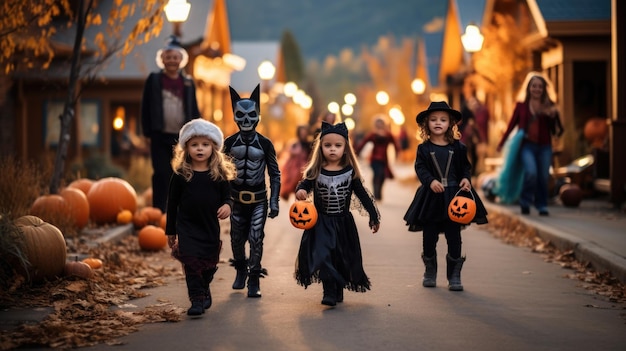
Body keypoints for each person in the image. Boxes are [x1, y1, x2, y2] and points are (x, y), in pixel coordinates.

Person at [294, 121, 381, 307]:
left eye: (337, 145)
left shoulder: (350, 172)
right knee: (324, 255)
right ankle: (329, 291)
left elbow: (364, 195)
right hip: (320, 222)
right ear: (321, 148)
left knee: (340, 256)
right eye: (327, 145)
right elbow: (304, 185)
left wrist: (374, 216)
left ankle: (338, 287)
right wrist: (301, 191)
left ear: (345, 148)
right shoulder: (316, 170)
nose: (332, 149)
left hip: (343, 223)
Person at [403, 101, 488, 291]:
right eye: (433, 120)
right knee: (429, 235)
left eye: (443, 119)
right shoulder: (423, 149)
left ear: (451, 123)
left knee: (453, 235)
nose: (438, 123)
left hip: (454, 196)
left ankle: (454, 275)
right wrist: (430, 181)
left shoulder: (458, 148)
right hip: (431, 197)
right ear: (427, 124)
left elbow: (465, 168)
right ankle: (430, 270)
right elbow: (420, 168)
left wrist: (466, 180)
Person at [165, 119, 236, 317]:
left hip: (209, 227)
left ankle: (204, 287)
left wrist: (227, 206)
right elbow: (172, 204)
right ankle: (196, 299)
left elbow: (227, 197)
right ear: (186, 147)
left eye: (205, 144)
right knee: (191, 263)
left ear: (213, 147)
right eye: (194, 144)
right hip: (187, 227)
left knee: (208, 266)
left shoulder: (218, 174)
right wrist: (170, 230)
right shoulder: (180, 174)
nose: (200, 149)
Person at [224, 84, 281, 298]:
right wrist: (221, 200)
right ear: (235, 117)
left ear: (258, 116)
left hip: (258, 199)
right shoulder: (228, 143)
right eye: (241, 115)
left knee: (256, 237)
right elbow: (221, 173)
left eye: (251, 115)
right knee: (237, 239)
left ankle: (254, 278)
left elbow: (275, 174)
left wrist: (274, 201)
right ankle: (240, 269)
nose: (246, 120)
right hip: (236, 199)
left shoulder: (265, 144)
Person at [141, 35, 200, 212]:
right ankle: (159, 210)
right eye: (168, 57)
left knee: (181, 173)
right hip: (159, 135)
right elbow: (145, 107)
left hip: (181, 137)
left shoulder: (188, 83)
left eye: (175, 57)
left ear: (181, 60)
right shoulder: (153, 80)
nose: (172, 61)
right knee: (160, 173)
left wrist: (196, 133)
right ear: (162, 59)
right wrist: (147, 133)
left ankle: (180, 210)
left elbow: (194, 110)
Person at [496, 73, 564, 216]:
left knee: (543, 176)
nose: (537, 89)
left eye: (540, 86)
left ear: (544, 89)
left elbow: (555, 130)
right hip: (527, 146)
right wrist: (501, 143)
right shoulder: (521, 106)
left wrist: (551, 116)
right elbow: (511, 125)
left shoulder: (549, 106)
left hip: (545, 146)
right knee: (531, 172)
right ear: (529, 88)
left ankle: (542, 205)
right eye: (534, 86)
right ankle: (525, 201)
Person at [354, 116, 401, 201]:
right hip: (374, 159)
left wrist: (398, 154)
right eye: (378, 123)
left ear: (384, 124)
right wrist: (355, 153)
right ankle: (376, 195)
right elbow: (363, 143)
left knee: (382, 175)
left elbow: (396, 145)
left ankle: (379, 193)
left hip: (384, 160)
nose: (379, 125)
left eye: (381, 123)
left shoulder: (388, 134)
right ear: (375, 124)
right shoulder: (373, 134)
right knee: (377, 174)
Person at [279, 125, 312, 201]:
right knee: (295, 190)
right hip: (295, 172)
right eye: (302, 132)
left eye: (305, 132)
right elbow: (289, 157)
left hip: (305, 171)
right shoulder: (294, 144)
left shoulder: (309, 145)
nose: (303, 134)